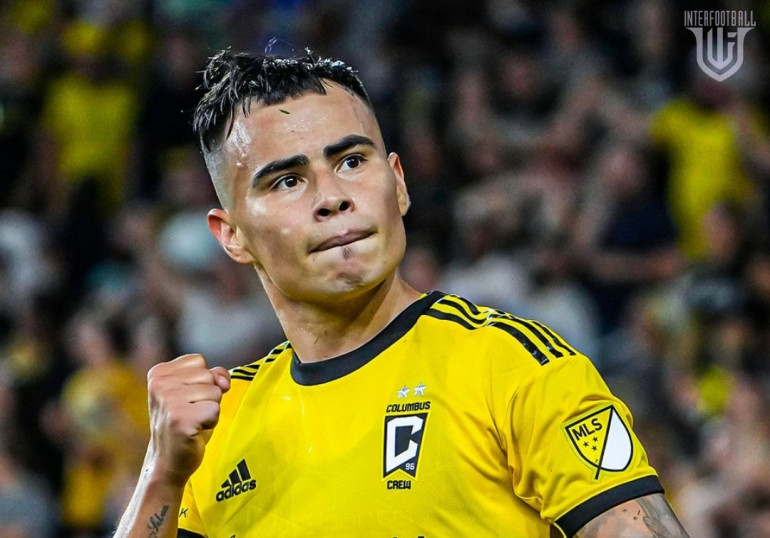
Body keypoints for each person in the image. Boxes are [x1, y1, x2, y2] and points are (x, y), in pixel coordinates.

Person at [115, 50, 690, 537]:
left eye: (351, 161)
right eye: (288, 180)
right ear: (233, 235)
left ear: (398, 182)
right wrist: (162, 474)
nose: (332, 197)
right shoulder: (216, 430)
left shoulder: (510, 368)